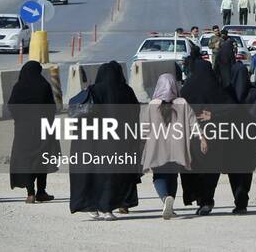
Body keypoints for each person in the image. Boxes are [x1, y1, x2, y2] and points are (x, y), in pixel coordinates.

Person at [69, 62, 140, 220]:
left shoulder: (94, 90)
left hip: (96, 141)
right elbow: (135, 114)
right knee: (112, 175)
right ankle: (107, 209)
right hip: (119, 140)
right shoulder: (127, 91)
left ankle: (93, 206)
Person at [141, 73, 206, 220]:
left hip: (157, 148)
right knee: (173, 176)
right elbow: (193, 122)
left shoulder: (152, 105)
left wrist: (141, 143)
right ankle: (170, 203)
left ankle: (165, 199)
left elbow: (144, 128)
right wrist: (202, 138)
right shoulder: (182, 103)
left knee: (159, 176)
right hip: (178, 149)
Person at [179, 60, 232, 215]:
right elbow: (231, 108)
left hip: (192, 136)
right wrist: (213, 114)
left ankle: (199, 198)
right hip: (214, 135)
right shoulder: (216, 88)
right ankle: (207, 200)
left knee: (193, 167)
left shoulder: (187, 89)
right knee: (211, 169)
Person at [8, 61, 60, 204]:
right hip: (42, 128)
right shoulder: (43, 86)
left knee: (27, 161)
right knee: (42, 159)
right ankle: (41, 192)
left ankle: (30, 194)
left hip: (23, 131)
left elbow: (11, 106)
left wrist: (20, 120)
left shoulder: (18, 87)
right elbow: (51, 108)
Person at [224, 63, 256, 214]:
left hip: (231, 136)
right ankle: (242, 199)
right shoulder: (254, 93)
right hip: (251, 136)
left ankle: (239, 198)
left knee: (234, 170)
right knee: (247, 170)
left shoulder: (227, 92)